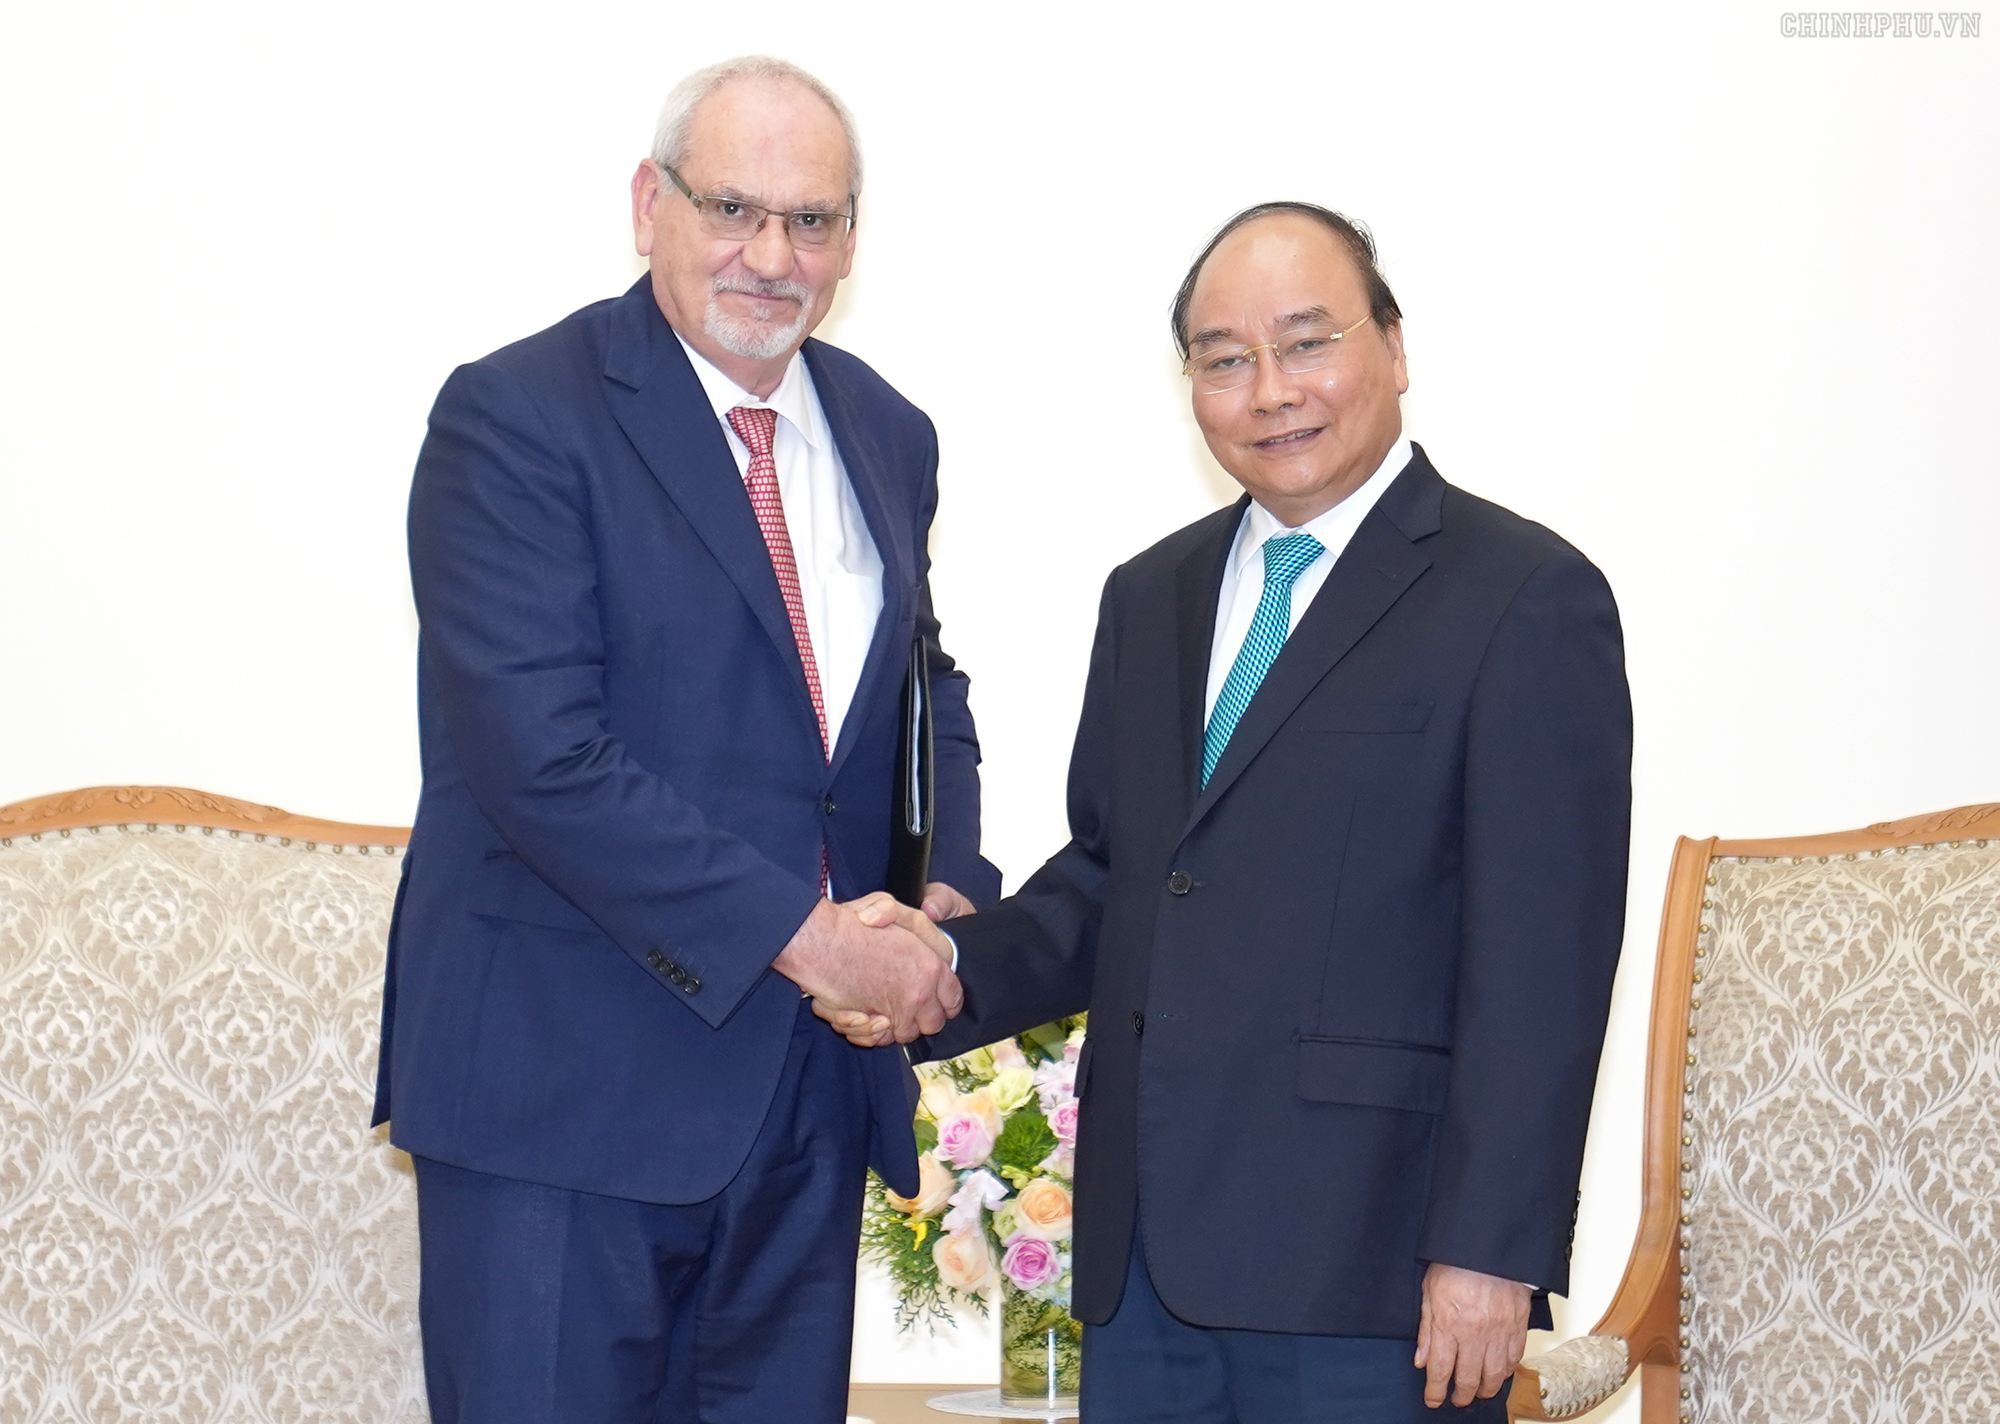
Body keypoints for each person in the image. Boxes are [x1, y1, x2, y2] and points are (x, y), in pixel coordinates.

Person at [834, 202, 1632, 1421]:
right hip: (1144, 1266)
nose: (1270, 390)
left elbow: (1542, 961)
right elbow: (1114, 879)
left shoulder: (1523, 596)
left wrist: (1489, 1250)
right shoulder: (1150, 593)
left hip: (1376, 1277)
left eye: (1306, 342)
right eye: (1222, 359)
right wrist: (941, 963)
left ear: (1393, 346)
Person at [371, 56, 998, 1424]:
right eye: (732, 209)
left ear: (850, 239)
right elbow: (541, 757)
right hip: (563, 1098)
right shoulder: (516, 416)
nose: (772, 256)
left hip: (806, 1099)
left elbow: (918, 687)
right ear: (648, 204)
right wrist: (814, 938)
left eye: (812, 220)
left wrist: (938, 888)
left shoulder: (887, 430)